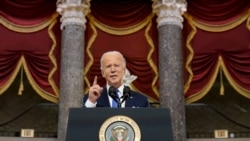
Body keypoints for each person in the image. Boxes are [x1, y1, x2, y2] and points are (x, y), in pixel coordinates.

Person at [82, 50, 150, 108]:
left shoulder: (141, 100)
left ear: (124, 70)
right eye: (108, 66)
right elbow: (83, 122)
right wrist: (91, 101)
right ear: (103, 73)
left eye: (116, 65)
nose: (113, 70)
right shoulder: (91, 98)